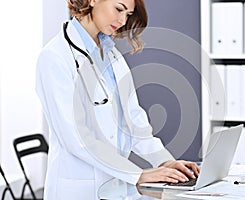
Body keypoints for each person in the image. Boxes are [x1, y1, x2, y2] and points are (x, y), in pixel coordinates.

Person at [35, 0, 200, 199]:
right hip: (79, 189)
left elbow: (134, 119)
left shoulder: (111, 54)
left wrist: (164, 162)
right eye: (119, 9)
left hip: (115, 186)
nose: (122, 20)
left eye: (128, 14)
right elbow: (76, 138)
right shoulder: (55, 57)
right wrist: (137, 175)